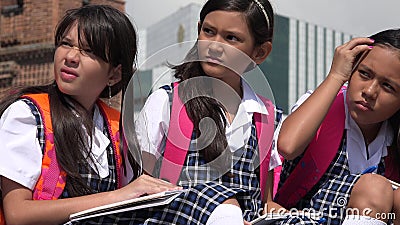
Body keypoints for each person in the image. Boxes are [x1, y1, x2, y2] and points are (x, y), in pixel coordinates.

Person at [0, 5, 179, 225]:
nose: (71, 56)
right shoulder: (28, 115)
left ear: (114, 74)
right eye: (66, 44)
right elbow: (17, 214)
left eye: (89, 51)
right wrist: (117, 197)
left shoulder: (115, 127)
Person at [133, 0, 289, 224]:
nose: (215, 46)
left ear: (260, 52)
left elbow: (264, 201)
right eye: (208, 32)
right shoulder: (166, 103)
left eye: (231, 38)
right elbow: (138, 191)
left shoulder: (267, 118)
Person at [275, 29, 400, 225]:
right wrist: (335, 76)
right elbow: (287, 146)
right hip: (297, 217)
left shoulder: (392, 139)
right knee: (375, 188)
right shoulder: (322, 105)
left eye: (388, 86)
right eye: (364, 74)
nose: (369, 91)